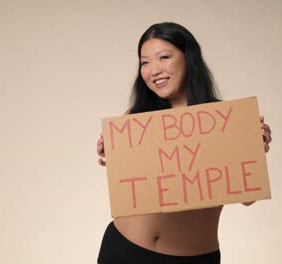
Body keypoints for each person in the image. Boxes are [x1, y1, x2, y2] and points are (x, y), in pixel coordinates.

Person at [96, 22, 272, 264]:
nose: (153, 70)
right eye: (145, 62)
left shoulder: (223, 120)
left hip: (191, 258)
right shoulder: (136, 118)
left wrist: (254, 150)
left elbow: (248, 198)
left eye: (164, 57)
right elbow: (135, 183)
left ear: (189, 58)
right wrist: (115, 155)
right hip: (123, 249)